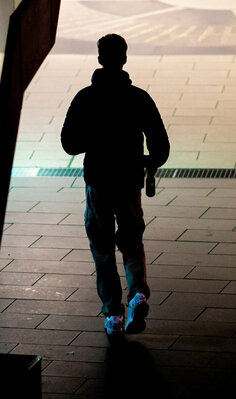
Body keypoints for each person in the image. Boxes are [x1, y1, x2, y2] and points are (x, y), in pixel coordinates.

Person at [61, 34, 170, 339]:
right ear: (124, 58)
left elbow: (68, 143)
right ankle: (138, 293)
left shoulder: (85, 98)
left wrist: (95, 139)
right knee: (132, 241)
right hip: (129, 182)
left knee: (102, 247)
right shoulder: (139, 98)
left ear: (99, 59)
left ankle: (113, 314)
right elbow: (161, 146)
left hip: (98, 181)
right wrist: (146, 161)